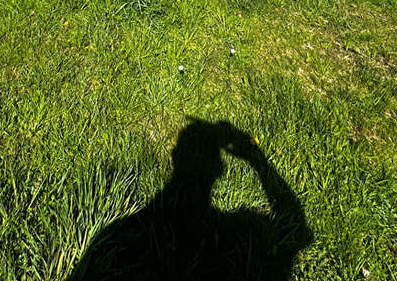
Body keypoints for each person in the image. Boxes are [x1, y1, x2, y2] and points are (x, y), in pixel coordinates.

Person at [67, 119, 311, 281]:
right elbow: (298, 228)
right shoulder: (235, 243)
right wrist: (256, 159)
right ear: (218, 169)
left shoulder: (116, 237)